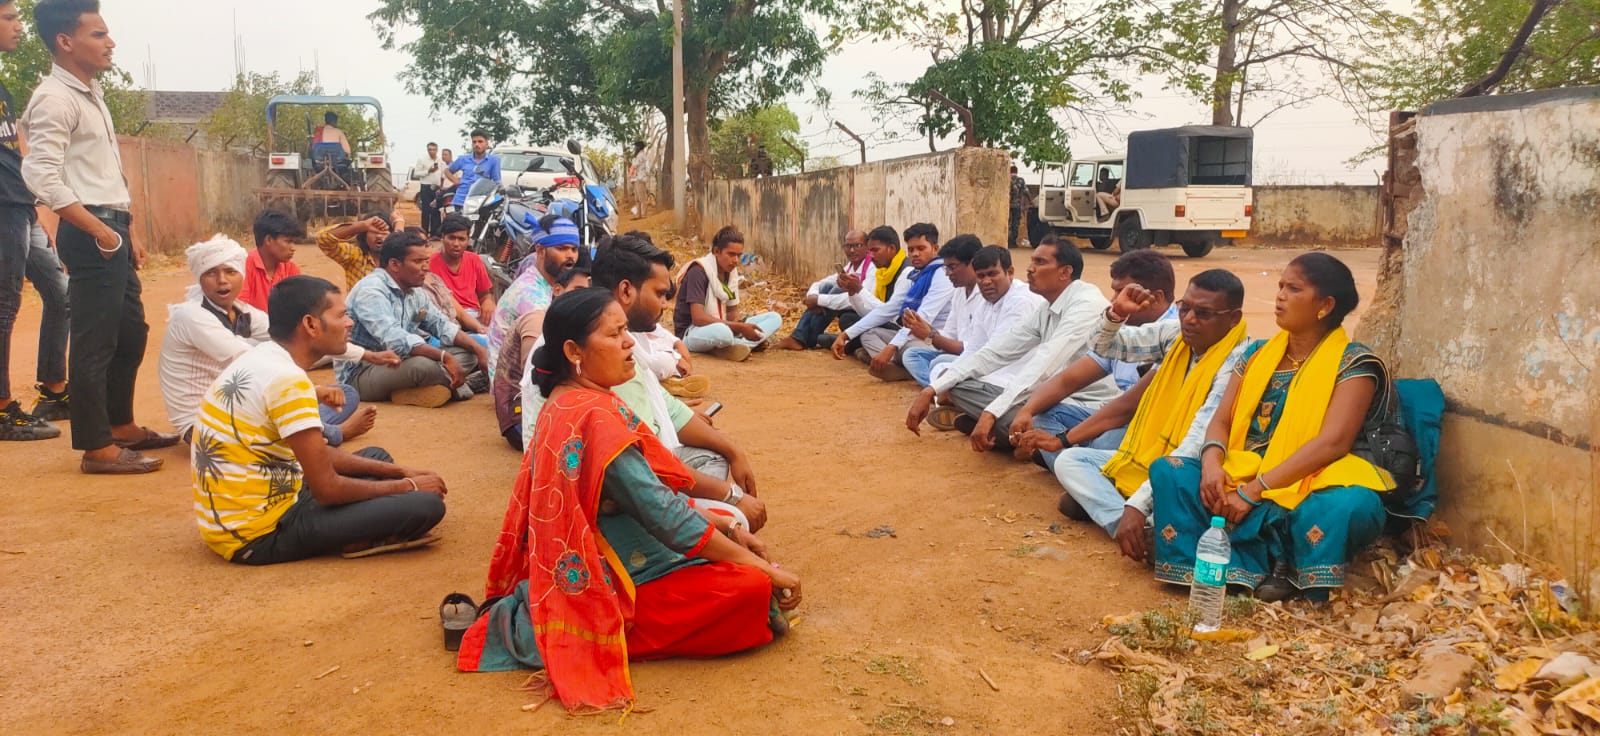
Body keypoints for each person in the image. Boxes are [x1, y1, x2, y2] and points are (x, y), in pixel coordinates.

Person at [457, 288, 800, 713]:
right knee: (751, 590)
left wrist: (728, 528)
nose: (628, 344)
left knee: (735, 552)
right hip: (612, 572)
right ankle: (571, 629)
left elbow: (653, 495)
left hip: (616, 552)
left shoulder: (572, 400)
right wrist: (754, 564)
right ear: (574, 351)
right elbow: (665, 514)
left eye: (626, 332)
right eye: (615, 334)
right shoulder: (594, 416)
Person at [1151, 253, 1398, 602]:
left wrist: (1254, 491)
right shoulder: (1256, 353)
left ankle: (1277, 566)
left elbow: (1333, 443)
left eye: (1293, 289)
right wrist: (1211, 466)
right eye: (1280, 286)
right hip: (1243, 473)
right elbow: (1221, 421)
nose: (1280, 296)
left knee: (1350, 504)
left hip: (1311, 480)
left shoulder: (1354, 363)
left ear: (1325, 305)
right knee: (1169, 470)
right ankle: (1238, 565)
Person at [192, 275, 447, 565]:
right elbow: (327, 489)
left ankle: (361, 529)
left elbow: (318, 455)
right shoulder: (289, 381)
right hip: (260, 534)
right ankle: (357, 536)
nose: (349, 323)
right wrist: (408, 486)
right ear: (311, 325)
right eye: (341, 315)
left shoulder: (263, 357)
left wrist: (401, 471)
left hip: (256, 504)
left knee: (379, 460)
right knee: (426, 505)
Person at [22, 0, 180, 472]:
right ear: (65, 41)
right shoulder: (55, 98)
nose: (111, 43)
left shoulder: (90, 93)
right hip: (90, 230)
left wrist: (125, 230)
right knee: (95, 341)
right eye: (98, 34)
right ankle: (96, 447)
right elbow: (41, 176)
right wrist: (97, 230)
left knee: (130, 331)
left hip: (111, 227)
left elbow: (104, 171)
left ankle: (120, 425)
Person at [525, 234, 769, 531]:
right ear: (626, 290)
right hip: (612, 503)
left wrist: (733, 451)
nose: (665, 305)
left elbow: (668, 411)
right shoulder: (597, 355)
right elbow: (645, 470)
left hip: (639, 478)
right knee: (734, 523)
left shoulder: (617, 339)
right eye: (660, 294)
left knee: (713, 468)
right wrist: (728, 500)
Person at [1052, 270, 1248, 562]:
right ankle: (1133, 528)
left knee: (1170, 486)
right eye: (1185, 308)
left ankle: (1127, 513)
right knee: (1070, 460)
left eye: (1203, 313)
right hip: (1148, 456)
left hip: (1192, 467)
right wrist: (1117, 314)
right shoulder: (1175, 336)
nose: (1189, 319)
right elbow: (1105, 346)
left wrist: (1138, 504)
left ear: (1233, 318)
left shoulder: (1237, 361)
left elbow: (1197, 441)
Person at [159, 235, 391, 447]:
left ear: (242, 275)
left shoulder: (241, 311)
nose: (222, 280)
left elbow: (294, 332)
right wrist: (314, 390)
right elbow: (247, 361)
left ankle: (308, 431)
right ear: (200, 278)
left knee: (346, 393)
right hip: (205, 423)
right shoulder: (191, 316)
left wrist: (366, 355)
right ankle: (331, 433)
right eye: (211, 273)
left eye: (230, 271)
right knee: (291, 398)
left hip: (241, 401)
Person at [905, 235, 1117, 452]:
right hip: (1045, 396)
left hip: (1082, 406)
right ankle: (1007, 432)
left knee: (1036, 420)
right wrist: (931, 389)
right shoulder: (1047, 307)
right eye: (1032, 261)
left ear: (1065, 272)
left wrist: (991, 412)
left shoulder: (1085, 306)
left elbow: (1044, 366)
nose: (1030, 269)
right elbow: (993, 352)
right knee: (955, 384)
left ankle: (1016, 436)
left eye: (1040, 262)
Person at [1009, 249, 1179, 466]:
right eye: (1115, 291)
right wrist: (1027, 410)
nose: (1114, 300)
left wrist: (1060, 441)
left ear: (1156, 298)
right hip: (1119, 421)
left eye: (1123, 292)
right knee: (1042, 417)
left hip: (1154, 427)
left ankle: (1078, 464)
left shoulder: (1177, 335)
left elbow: (1126, 408)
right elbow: (1067, 380)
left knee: (1101, 443)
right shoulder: (1124, 331)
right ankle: (1081, 465)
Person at [0, 0, 69, 440]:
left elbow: (14, 152)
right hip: (2, 209)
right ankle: (2, 410)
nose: (19, 27)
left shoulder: (3, 91)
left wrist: (34, 206)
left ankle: (54, 391)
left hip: (19, 206)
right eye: (9, 18)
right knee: (4, 307)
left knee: (61, 292)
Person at [340, 231, 489, 407]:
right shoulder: (371, 291)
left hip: (401, 362)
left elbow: (441, 325)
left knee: (469, 354)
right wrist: (445, 357)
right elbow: (395, 340)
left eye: (426, 261)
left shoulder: (415, 291)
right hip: (362, 372)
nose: (426, 268)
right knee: (423, 366)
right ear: (395, 264)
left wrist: (478, 350)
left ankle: (425, 388)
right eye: (418, 262)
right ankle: (461, 385)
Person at [901, 244, 1041, 389]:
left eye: (992, 274)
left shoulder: (1020, 301)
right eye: (981, 276)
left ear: (1010, 272)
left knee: (945, 371)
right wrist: (928, 334)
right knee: (933, 365)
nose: (986, 281)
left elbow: (993, 355)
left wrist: (931, 336)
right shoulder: (983, 301)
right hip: (985, 365)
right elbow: (973, 348)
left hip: (1013, 378)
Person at [830, 223, 953, 382]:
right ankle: (901, 367)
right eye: (911, 249)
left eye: (921, 248)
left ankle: (906, 367)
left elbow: (921, 320)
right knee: (868, 335)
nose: (915, 254)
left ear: (935, 249)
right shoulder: (914, 275)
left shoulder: (942, 275)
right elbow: (888, 309)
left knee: (909, 352)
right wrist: (846, 335)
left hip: (933, 340)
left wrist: (890, 348)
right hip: (911, 336)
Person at [492, 265, 587, 450]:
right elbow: (533, 379)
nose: (583, 298)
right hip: (518, 418)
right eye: (577, 290)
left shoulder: (562, 321)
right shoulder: (538, 319)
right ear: (557, 290)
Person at [487, 215, 579, 376]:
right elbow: (538, 363)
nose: (570, 255)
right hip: (513, 383)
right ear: (541, 251)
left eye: (574, 249)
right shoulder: (531, 296)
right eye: (562, 248)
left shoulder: (540, 276)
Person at [673, 225, 782, 362]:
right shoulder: (699, 271)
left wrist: (738, 326)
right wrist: (739, 328)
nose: (736, 260)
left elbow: (732, 311)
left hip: (723, 325)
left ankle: (735, 346)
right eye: (731, 254)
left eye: (739, 255)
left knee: (775, 318)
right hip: (693, 332)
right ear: (716, 251)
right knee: (723, 333)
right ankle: (738, 345)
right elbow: (698, 318)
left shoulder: (731, 272)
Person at [775, 229, 874, 351]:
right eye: (848, 246)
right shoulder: (851, 266)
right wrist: (813, 296)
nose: (852, 250)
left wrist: (819, 300)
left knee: (839, 293)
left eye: (857, 245)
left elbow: (857, 300)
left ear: (867, 246)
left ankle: (805, 338)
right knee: (827, 287)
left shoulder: (873, 267)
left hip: (870, 315)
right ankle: (801, 337)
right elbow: (823, 283)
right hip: (854, 312)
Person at [428, 214, 494, 320]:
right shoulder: (429, 264)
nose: (456, 244)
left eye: (461, 239)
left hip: (473, 315)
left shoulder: (474, 260)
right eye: (451, 238)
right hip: (445, 317)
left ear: (468, 240)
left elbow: (484, 294)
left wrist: (488, 302)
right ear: (442, 237)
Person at [237, 209, 303, 312]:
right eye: (288, 241)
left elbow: (297, 306)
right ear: (268, 240)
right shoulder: (242, 267)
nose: (293, 248)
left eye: (294, 242)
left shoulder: (291, 269)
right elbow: (239, 309)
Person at [316, 212, 391, 290]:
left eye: (383, 231)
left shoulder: (397, 260)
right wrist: (362, 225)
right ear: (364, 236)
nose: (379, 236)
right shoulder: (354, 256)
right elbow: (322, 239)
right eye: (373, 232)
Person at [447, 129, 502, 211]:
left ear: (487, 144)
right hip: (461, 200)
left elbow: (497, 181)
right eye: (474, 142)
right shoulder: (463, 159)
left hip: (480, 202)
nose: (477, 144)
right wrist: (456, 181)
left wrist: (503, 192)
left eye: (480, 142)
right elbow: (447, 171)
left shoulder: (494, 160)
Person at [415, 142, 445, 236]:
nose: (432, 151)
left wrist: (441, 186)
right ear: (427, 150)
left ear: (437, 150)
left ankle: (435, 233)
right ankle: (424, 232)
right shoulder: (422, 159)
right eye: (430, 149)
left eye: (433, 149)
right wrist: (428, 171)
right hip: (426, 187)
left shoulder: (440, 160)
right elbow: (416, 174)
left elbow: (443, 174)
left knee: (436, 210)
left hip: (437, 187)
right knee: (426, 210)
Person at [1008, 164, 1030, 248]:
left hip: (1007, 206)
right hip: (1017, 206)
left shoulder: (1007, 179)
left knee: (1008, 223)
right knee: (1015, 223)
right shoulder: (1021, 180)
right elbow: (1026, 191)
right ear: (1016, 171)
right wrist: (1030, 201)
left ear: (1010, 171)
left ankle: (1008, 241)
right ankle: (1013, 241)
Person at [627, 139, 649, 217]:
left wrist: (630, 174)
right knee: (637, 198)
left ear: (639, 147)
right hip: (636, 178)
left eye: (635, 146)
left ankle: (643, 214)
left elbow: (635, 165)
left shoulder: (641, 155)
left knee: (641, 198)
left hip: (640, 178)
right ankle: (638, 214)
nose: (634, 148)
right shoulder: (638, 155)